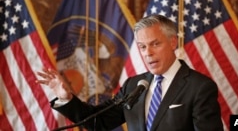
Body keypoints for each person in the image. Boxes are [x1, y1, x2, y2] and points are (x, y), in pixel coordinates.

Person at [36, 14, 224, 131]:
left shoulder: (199, 87)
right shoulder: (134, 85)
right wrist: (66, 97)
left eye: (155, 44)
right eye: (142, 47)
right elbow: (98, 122)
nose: (148, 53)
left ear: (173, 42)